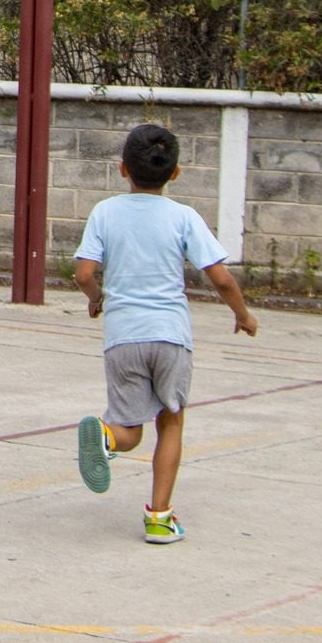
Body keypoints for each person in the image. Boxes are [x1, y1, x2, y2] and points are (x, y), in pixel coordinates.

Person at [73, 123, 258, 543]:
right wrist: (243, 316)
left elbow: (83, 273)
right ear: (175, 173)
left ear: (123, 169)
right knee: (170, 422)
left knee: (129, 429)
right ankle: (159, 517)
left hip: (123, 335)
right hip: (171, 335)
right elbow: (223, 279)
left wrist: (97, 298)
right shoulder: (183, 217)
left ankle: (105, 436)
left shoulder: (105, 212)